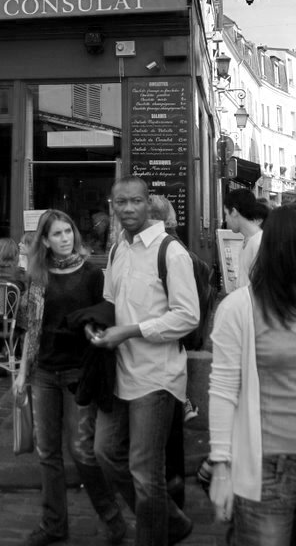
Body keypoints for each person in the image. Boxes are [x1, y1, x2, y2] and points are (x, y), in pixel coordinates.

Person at [208, 199, 296, 545]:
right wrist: (221, 465)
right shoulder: (239, 309)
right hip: (267, 470)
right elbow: (223, 390)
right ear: (289, 249)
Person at [92, 176, 198, 546]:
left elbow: (188, 316)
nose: (128, 209)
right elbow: (110, 301)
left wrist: (131, 331)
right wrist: (97, 326)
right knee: (105, 452)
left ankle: (153, 536)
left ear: (147, 202)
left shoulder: (171, 252)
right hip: (119, 372)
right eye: (120, 202)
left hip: (156, 376)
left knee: (144, 470)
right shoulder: (117, 249)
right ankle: (172, 521)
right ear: (112, 205)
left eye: (135, 201)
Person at [13, 209, 126, 546]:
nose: (64, 239)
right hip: (44, 372)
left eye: (68, 232)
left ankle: (111, 515)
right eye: (57, 234)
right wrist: (22, 372)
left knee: (81, 450)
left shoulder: (91, 274)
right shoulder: (38, 275)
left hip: (78, 370)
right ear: (45, 241)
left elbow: (104, 316)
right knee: (48, 452)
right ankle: (53, 524)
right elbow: (32, 328)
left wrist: (94, 330)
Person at [224, 189, 268, 288]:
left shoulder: (259, 243)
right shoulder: (248, 241)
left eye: (226, 214)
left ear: (234, 212)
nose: (226, 219)